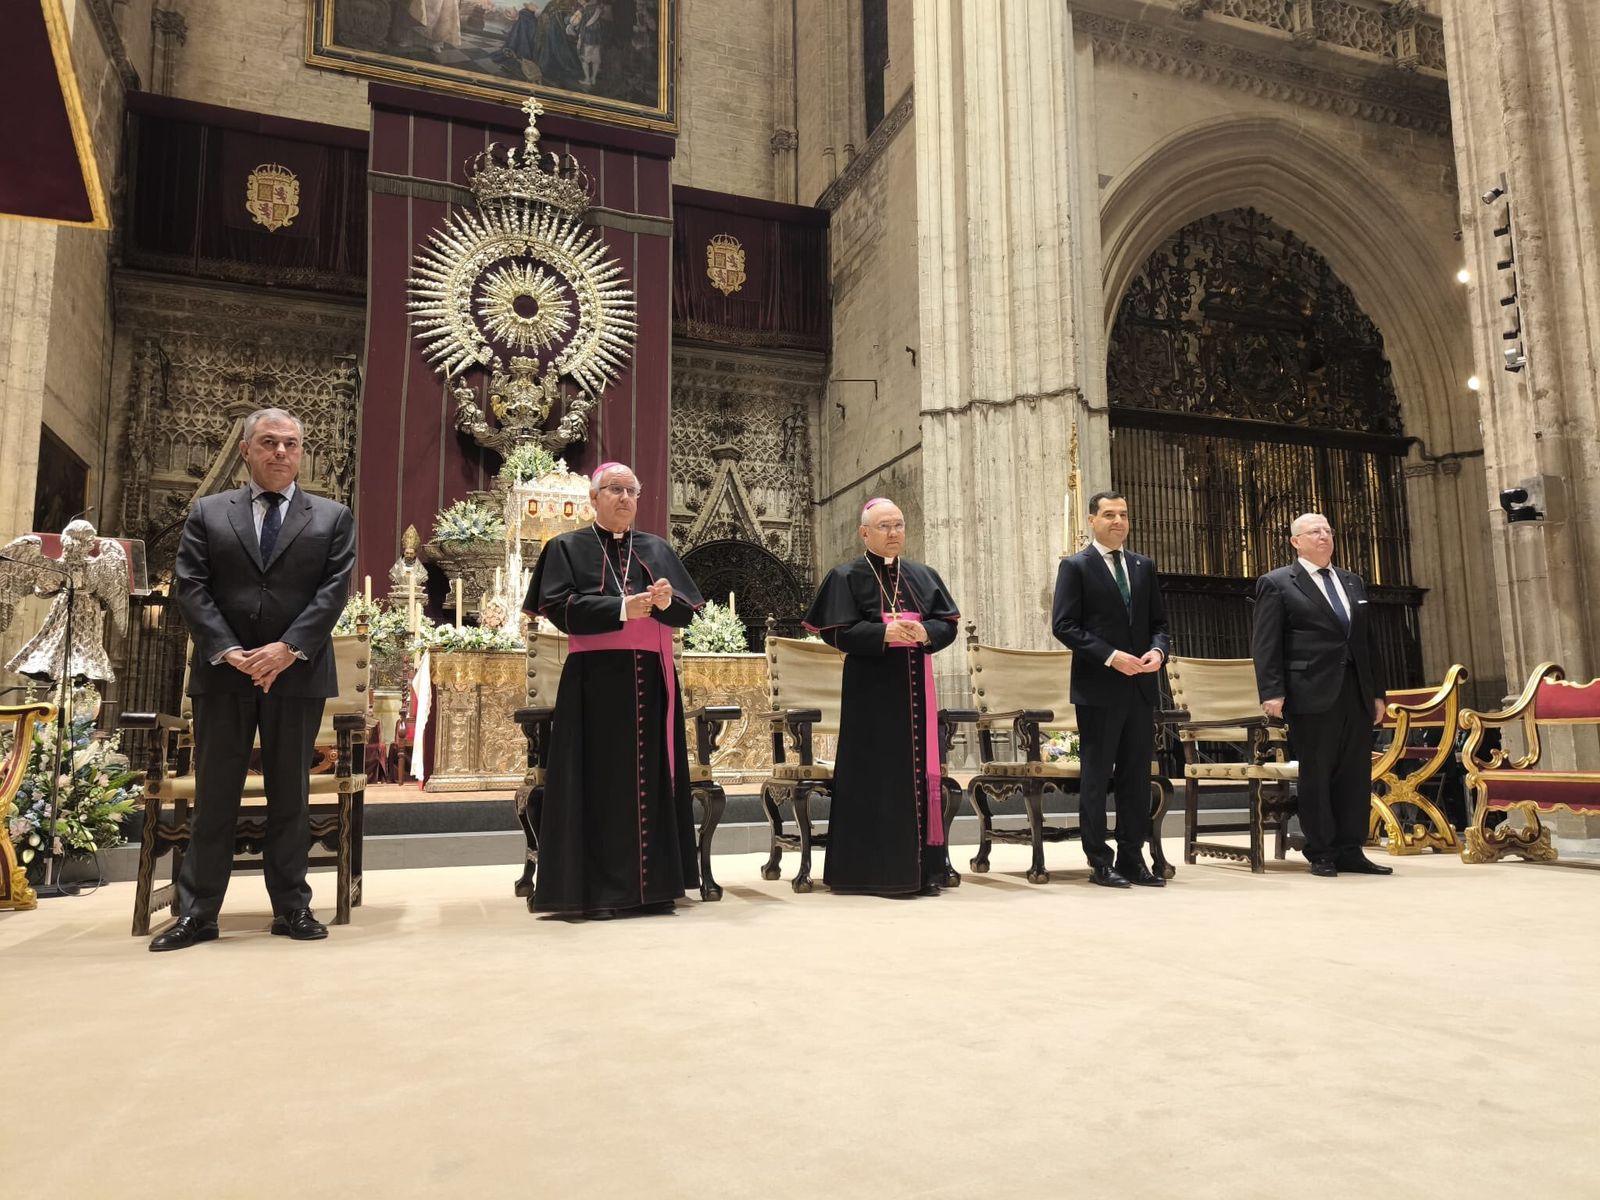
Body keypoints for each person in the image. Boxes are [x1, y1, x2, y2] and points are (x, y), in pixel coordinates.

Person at [150, 409, 355, 951]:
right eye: (269, 442)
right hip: (225, 673)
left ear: (302, 452)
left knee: (291, 795)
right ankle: (198, 913)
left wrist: (287, 649)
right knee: (216, 795)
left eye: (291, 444)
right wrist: (229, 650)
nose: (281, 452)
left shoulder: (332, 516)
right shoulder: (209, 512)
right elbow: (190, 586)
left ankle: (292, 908)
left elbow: (333, 590)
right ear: (246, 451)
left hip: (297, 673)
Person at [523, 462, 704, 919]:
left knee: (653, 779)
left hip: (652, 678)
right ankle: (598, 892)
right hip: (595, 682)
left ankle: (656, 887)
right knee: (598, 780)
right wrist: (624, 607)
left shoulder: (657, 549)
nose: (625, 497)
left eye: (632, 490)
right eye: (614, 489)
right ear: (594, 498)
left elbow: (685, 612)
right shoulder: (565, 547)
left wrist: (665, 603)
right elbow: (561, 609)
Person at [803, 498, 961, 897]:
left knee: (915, 778)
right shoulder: (846, 576)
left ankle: (922, 871)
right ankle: (869, 873)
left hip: (916, 693)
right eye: (884, 526)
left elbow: (947, 624)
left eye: (899, 525)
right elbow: (834, 632)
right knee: (874, 779)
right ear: (865, 533)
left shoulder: (924, 575)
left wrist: (926, 634)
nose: (893, 533)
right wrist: (882, 634)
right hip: (869, 695)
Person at [1251, 512, 1390, 877]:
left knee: (1355, 773)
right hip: (1310, 690)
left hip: (1355, 690)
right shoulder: (1278, 583)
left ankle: (1351, 849)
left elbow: (1367, 642)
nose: (1324, 536)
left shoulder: (1352, 581)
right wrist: (1272, 691)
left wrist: (1378, 693)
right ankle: (1322, 851)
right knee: (1318, 772)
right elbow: (1266, 643)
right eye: (1315, 532)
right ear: (1296, 541)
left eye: (1328, 530)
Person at [1050, 491, 1170, 888]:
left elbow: (1159, 624)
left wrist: (1157, 651)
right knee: (1098, 778)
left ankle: (1133, 857)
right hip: (1099, 688)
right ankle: (1100, 862)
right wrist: (1110, 656)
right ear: (1091, 520)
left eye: (1123, 514)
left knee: (1136, 778)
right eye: (1109, 514)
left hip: (1140, 688)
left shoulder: (1143, 566)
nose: (1118, 521)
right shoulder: (1076, 566)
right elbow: (1065, 625)